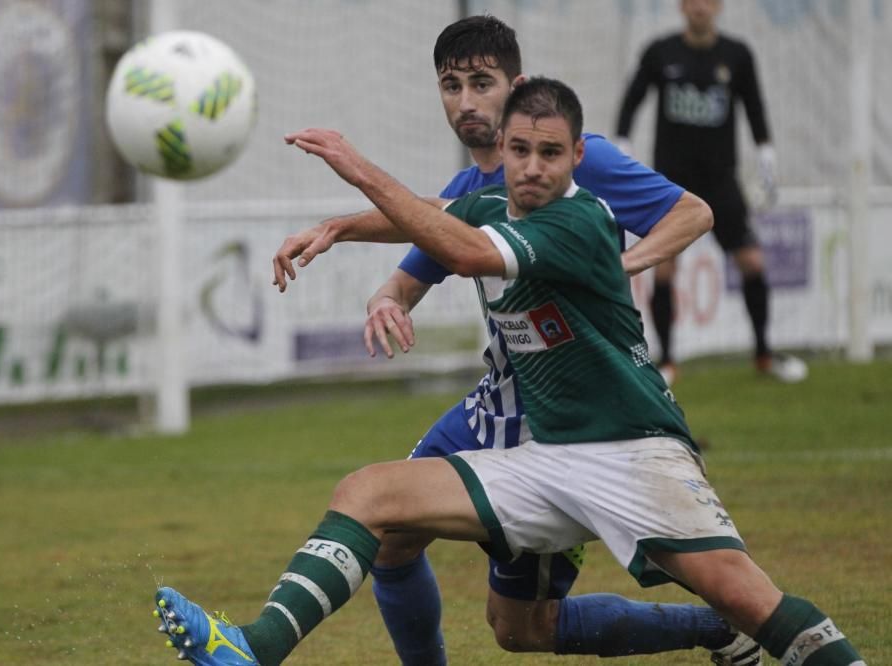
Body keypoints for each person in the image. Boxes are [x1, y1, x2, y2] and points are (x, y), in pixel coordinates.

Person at [153, 77, 866, 666]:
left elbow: (461, 251)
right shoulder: (493, 200)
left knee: (744, 597)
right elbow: (434, 215)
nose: (531, 166)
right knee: (368, 496)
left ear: (577, 156)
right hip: (544, 455)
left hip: (633, 451)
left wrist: (355, 163)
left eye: (549, 153)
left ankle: (752, 636)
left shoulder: (580, 222)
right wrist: (336, 228)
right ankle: (251, 648)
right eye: (520, 150)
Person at [272, 15, 757, 665]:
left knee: (522, 628)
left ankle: (721, 626)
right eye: (451, 85)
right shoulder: (466, 189)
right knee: (388, 533)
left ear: (518, 87)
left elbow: (694, 211)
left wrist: (629, 263)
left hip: (566, 422)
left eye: (482, 82)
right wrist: (384, 300)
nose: (466, 102)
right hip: (493, 403)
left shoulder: (580, 160)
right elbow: (416, 261)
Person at [614, 0, 807, 385]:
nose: (699, 7)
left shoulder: (737, 55)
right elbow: (632, 100)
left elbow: (754, 107)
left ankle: (764, 354)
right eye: (691, 0)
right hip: (671, 182)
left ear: (718, 6)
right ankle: (667, 361)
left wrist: (766, 151)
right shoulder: (660, 52)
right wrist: (622, 142)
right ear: (681, 7)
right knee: (664, 268)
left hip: (721, 180)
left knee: (752, 262)